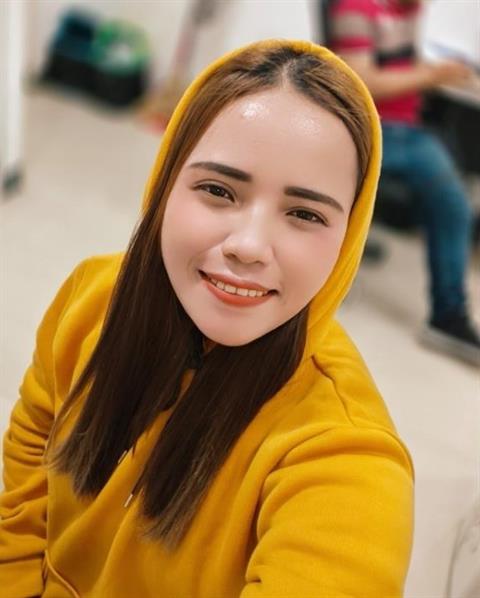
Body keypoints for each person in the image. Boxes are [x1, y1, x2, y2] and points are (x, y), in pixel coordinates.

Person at [0, 39, 414, 597]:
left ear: (349, 237)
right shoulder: (92, 297)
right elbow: (31, 455)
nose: (249, 247)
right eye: (218, 190)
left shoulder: (347, 459)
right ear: (165, 184)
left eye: (304, 213)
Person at [327, 0, 480, 366]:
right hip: (371, 127)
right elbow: (362, 81)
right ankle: (449, 316)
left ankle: (448, 317)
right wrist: (433, 75)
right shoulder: (356, 8)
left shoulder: (407, 11)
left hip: (406, 130)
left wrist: (439, 71)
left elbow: (402, 68)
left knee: (453, 202)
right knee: (452, 202)